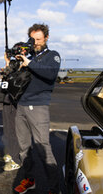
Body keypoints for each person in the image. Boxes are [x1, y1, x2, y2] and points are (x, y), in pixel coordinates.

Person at [13, 24, 61, 194]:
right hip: (21, 106)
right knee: (24, 148)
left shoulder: (52, 56)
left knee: (43, 148)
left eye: (39, 39)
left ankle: (54, 188)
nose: (36, 43)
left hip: (38, 106)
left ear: (46, 37)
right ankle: (29, 179)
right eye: (33, 40)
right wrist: (14, 63)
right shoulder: (27, 55)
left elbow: (50, 74)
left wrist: (29, 63)